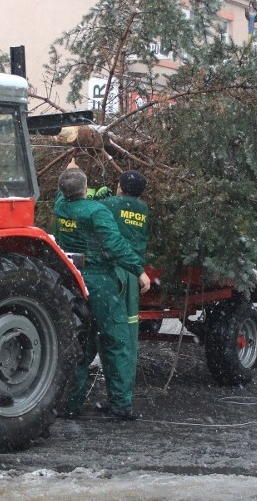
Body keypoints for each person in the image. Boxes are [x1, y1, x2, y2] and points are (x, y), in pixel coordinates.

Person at [54, 162, 151, 420]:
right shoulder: (97, 212)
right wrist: (138, 269)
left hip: (72, 281)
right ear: (86, 188)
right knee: (116, 341)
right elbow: (115, 244)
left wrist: (70, 171)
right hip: (100, 282)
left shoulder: (60, 207)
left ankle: (69, 404)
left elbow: (61, 193)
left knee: (79, 343)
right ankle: (120, 404)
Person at [98, 169, 150, 402]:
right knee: (128, 335)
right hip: (133, 274)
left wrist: (96, 194)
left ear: (119, 186)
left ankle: (116, 398)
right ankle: (122, 398)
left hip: (114, 272)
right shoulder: (143, 209)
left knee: (109, 332)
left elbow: (88, 207)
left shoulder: (108, 204)